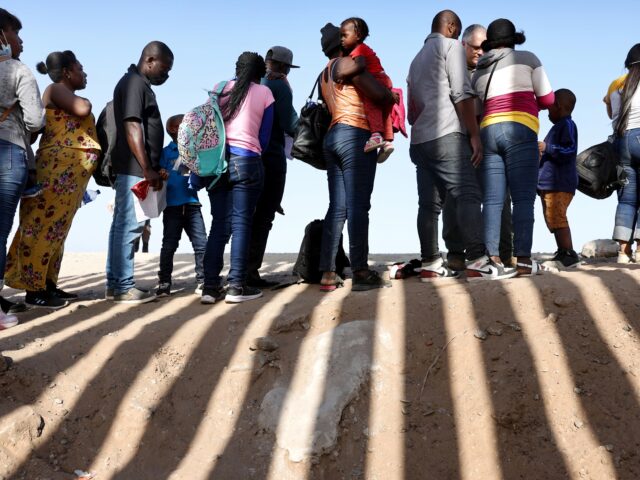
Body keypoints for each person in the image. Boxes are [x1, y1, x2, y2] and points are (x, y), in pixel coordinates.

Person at [407, 10, 515, 281]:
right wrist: (474, 134)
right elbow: (461, 93)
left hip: (420, 139)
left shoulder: (416, 59)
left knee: (429, 205)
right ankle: (478, 259)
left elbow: (411, 110)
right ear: (452, 27)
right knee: (468, 194)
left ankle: (431, 262)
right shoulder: (451, 46)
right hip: (447, 135)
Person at [5, 50, 98, 309]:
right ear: (68, 71)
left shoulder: (59, 91)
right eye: (80, 68)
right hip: (56, 172)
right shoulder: (55, 89)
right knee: (42, 227)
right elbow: (83, 108)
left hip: (67, 176)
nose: (85, 73)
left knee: (57, 229)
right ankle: (34, 290)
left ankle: (47, 283)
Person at [472, 18, 554, 276]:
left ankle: (491, 260)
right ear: (513, 40)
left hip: (488, 131)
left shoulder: (479, 70)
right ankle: (523, 261)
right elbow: (549, 99)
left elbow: (476, 110)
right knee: (522, 199)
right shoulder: (528, 58)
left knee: (493, 201)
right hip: (520, 128)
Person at [317, 22, 396, 292]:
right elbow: (378, 94)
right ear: (341, 44)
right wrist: (389, 95)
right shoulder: (346, 65)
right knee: (359, 205)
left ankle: (328, 273)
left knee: (337, 207)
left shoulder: (323, 74)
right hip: (354, 133)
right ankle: (360, 270)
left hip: (332, 136)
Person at [201, 52, 274, 304]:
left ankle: (210, 287)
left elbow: (208, 127)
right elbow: (264, 137)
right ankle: (235, 287)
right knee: (242, 223)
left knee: (219, 225)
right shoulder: (265, 93)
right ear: (260, 72)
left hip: (217, 162)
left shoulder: (219, 88)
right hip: (247, 161)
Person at [106, 41, 173, 304]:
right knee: (130, 226)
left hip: (135, 167)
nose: (166, 75)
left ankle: (116, 284)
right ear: (149, 60)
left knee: (121, 225)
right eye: (164, 69)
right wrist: (147, 168)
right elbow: (133, 125)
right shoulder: (134, 83)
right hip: (135, 168)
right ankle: (123, 286)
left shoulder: (136, 83)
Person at [443, 23, 514, 271]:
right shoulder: (451, 70)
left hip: (491, 141)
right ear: (463, 44)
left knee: (501, 198)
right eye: (475, 47)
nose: (480, 53)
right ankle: (455, 252)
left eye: (484, 48)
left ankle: (504, 253)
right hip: (460, 141)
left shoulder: (495, 69)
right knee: (455, 197)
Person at [0, 8, 45, 327]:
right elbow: (36, 119)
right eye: (16, 34)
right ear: (2, 36)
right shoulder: (18, 70)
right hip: (10, 152)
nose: (21, 41)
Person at [245, 46, 299, 288]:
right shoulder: (278, 85)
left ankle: (240, 270)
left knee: (247, 215)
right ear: (285, 67)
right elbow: (290, 123)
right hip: (272, 155)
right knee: (265, 215)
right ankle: (250, 272)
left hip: (248, 156)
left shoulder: (251, 83)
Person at [156, 114, 207, 296]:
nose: (189, 127)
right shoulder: (165, 152)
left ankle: (203, 280)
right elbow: (157, 173)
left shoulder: (194, 149)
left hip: (192, 204)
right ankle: (164, 282)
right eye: (184, 125)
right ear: (173, 129)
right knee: (169, 245)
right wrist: (161, 173)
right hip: (172, 207)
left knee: (201, 244)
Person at [339, 17, 395, 162]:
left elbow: (360, 66)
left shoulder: (359, 49)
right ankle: (387, 142)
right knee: (384, 110)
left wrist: (343, 74)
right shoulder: (362, 48)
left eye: (344, 35)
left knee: (371, 105)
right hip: (384, 78)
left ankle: (376, 135)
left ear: (357, 35)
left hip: (377, 78)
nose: (341, 39)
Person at [537, 89, 580, 268]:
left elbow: (569, 151)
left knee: (558, 216)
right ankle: (562, 251)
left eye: (549, 110)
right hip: (549, 184)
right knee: (552, 217)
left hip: (560, 183)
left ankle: (569, 254)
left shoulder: (567, 125)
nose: (548, 114)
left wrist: (547, 147)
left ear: (558, 106)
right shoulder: (557, 127)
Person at [611, 44, 640, 263]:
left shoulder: (617, 88)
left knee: (626, 199)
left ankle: (622, 251)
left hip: (622, 142)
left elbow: (614, 117)